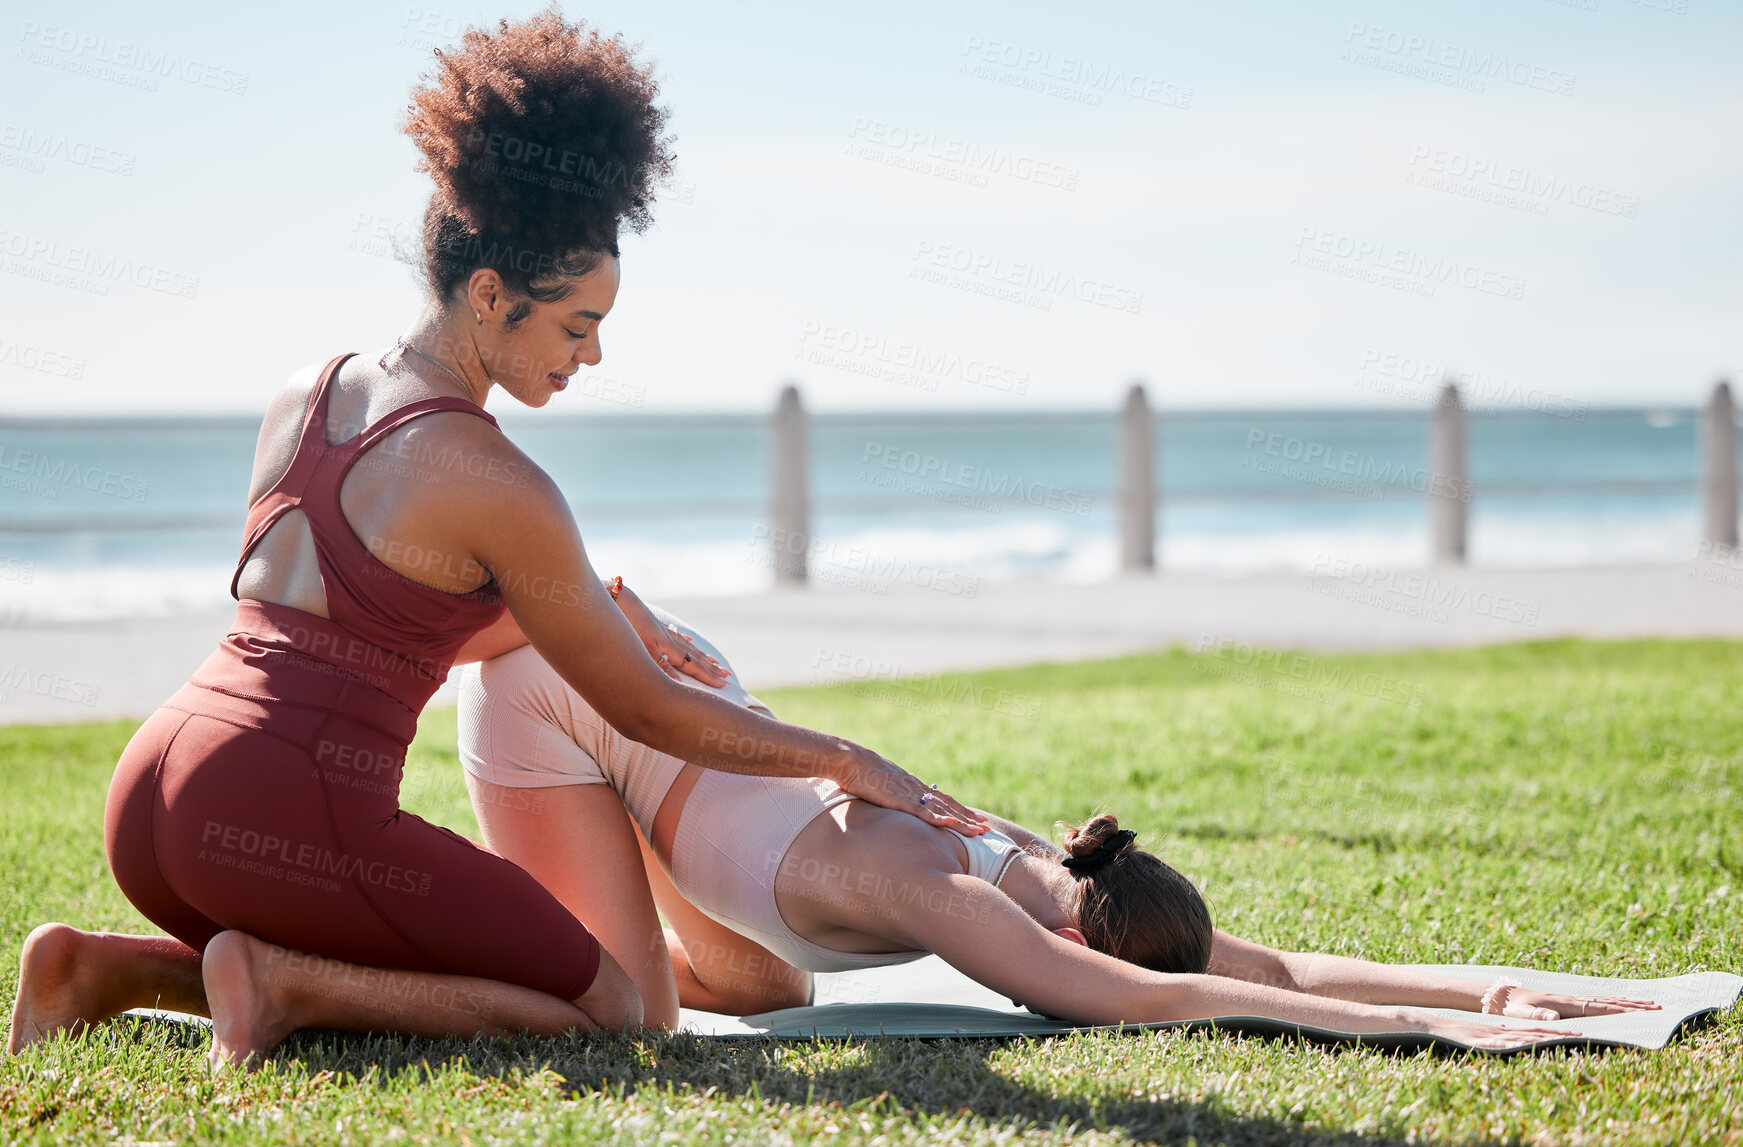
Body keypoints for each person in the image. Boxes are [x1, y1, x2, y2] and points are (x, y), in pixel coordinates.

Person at [6, 11, 981, 1069]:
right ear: (488, 297)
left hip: (155, 785)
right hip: (282, 806)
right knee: (614, 1011)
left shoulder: (313, 388)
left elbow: (370, 621)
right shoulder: (500, 481)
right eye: (573, 325)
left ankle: (110, 967)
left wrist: (608, 611)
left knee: (486, 950)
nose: (594, 356)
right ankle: (278, 984)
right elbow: (644, 712)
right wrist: (844, 758)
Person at [456, 620, 1663, 1051]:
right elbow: (1167, 1003)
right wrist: (1424, 1027)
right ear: (1091, 937)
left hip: (695, 704)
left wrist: (1499, 983)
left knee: (767, 992)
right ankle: (434, 952)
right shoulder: (959, 897)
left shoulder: (1054, 860)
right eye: (1079, 970)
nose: (1064, 987)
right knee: (632, 1016)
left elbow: (1264, 968)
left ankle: (611, 861)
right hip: (557, 698)